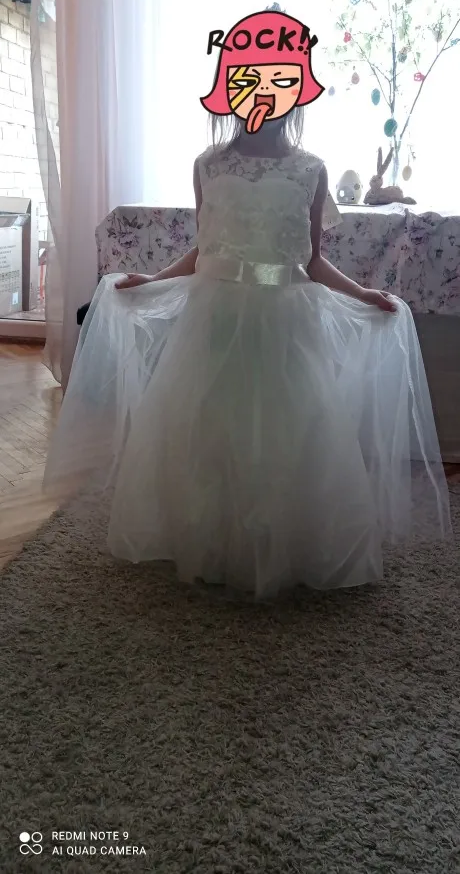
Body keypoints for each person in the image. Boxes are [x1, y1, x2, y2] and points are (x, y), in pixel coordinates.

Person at [43, 36, 451, 600]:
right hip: (214, 313)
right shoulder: (208, 164)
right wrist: (153, 280)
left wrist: (362, 293)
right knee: (211, 421)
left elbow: (311, 259)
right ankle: (210, 539)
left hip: (286, 318)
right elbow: (204, 248)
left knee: (287, 427)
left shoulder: (311, 169)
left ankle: (288, 541)